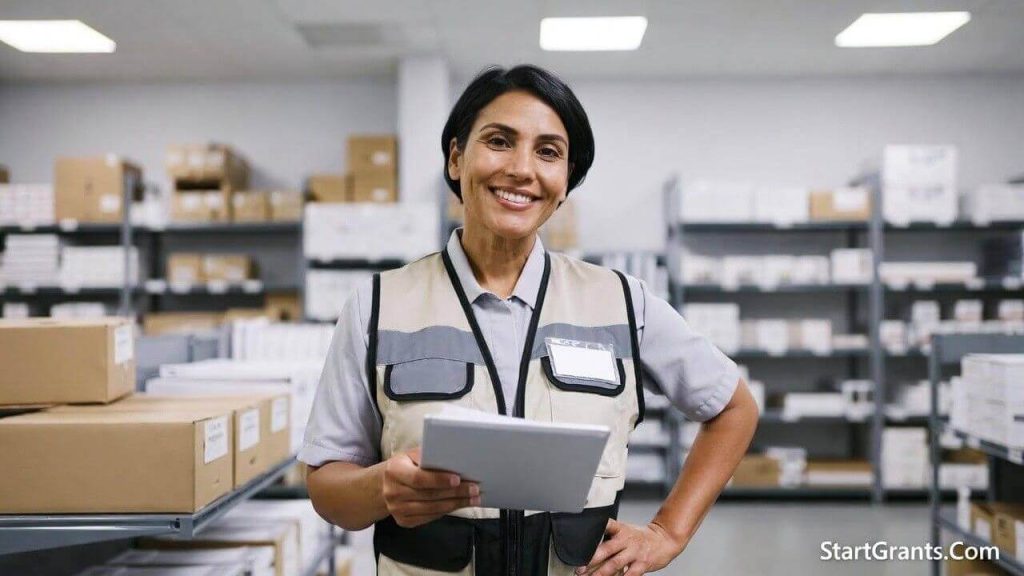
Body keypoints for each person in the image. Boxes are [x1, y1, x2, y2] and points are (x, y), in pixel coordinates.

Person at [302, 64, 759, 576]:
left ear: (565, 183)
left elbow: (734, 407)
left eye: (548, 152)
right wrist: (379, 487)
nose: (522, 169)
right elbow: (326, 486)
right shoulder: (378, 306)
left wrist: (667, 533)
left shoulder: (623, 303)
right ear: (456, 158)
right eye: (499, 141)